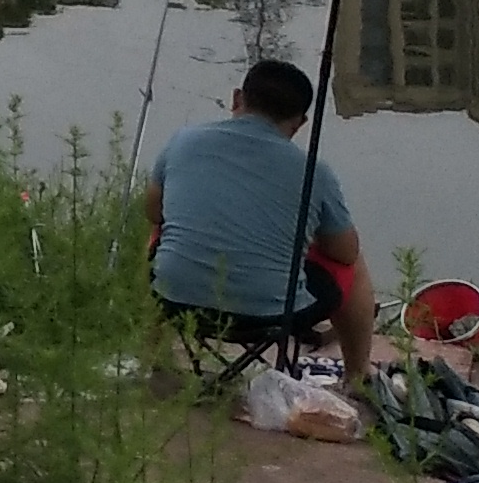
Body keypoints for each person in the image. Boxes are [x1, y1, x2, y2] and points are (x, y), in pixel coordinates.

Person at [145, 57, 371, 386]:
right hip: (272, 316)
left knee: (160, 234)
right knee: (356, 265)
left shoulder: (182, 141)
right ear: (299, 123)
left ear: (237, 98)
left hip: (176, 303)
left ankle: (155, 361)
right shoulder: (314, 172)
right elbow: (344, 253)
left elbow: (154, 212)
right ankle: (357, 376)